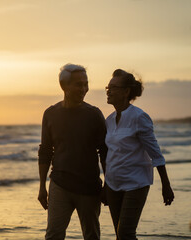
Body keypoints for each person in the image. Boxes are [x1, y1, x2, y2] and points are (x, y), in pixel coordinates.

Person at [38, 63, 107, 240]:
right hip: (60, 184)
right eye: (79, 84)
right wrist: (42, 187)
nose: (84, 89)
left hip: (89, 186)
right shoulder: (51, 114)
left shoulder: (94, 114)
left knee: (91, 235)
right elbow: (45, 151)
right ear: (64, 86)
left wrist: (108, 184)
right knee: (53, 235)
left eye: (86, 84)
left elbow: (105, 151)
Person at [104, 69, 175, 240]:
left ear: (126, 91)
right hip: (113, 185)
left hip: (135, 183)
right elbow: (109, 155)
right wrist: (106, 184)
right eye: (108, 87)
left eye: (113, 87)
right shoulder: (109, 120)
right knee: (120, 236)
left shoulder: (139, 117)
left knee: (125, 234)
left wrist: (166, 186)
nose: (108, 91)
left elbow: (156, 154)